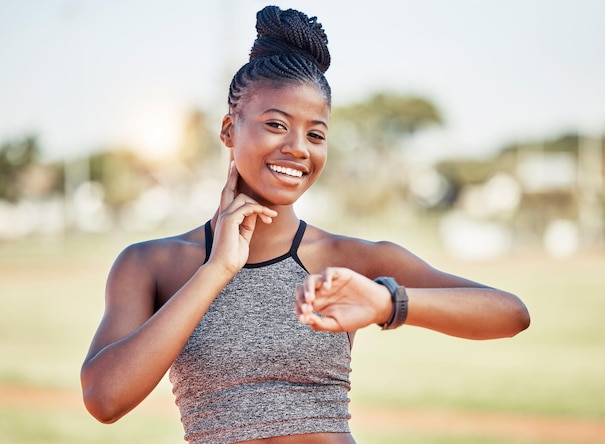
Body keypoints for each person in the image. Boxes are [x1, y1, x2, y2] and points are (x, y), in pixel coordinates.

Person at [80, 5, 530, 444]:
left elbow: (510, 314)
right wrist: (216, 270)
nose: (298, 148)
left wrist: (385, 302)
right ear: (228, 130)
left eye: (316, 134)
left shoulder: (346, 259)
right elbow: (105, 399)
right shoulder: (152, 264)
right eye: (276, 124)